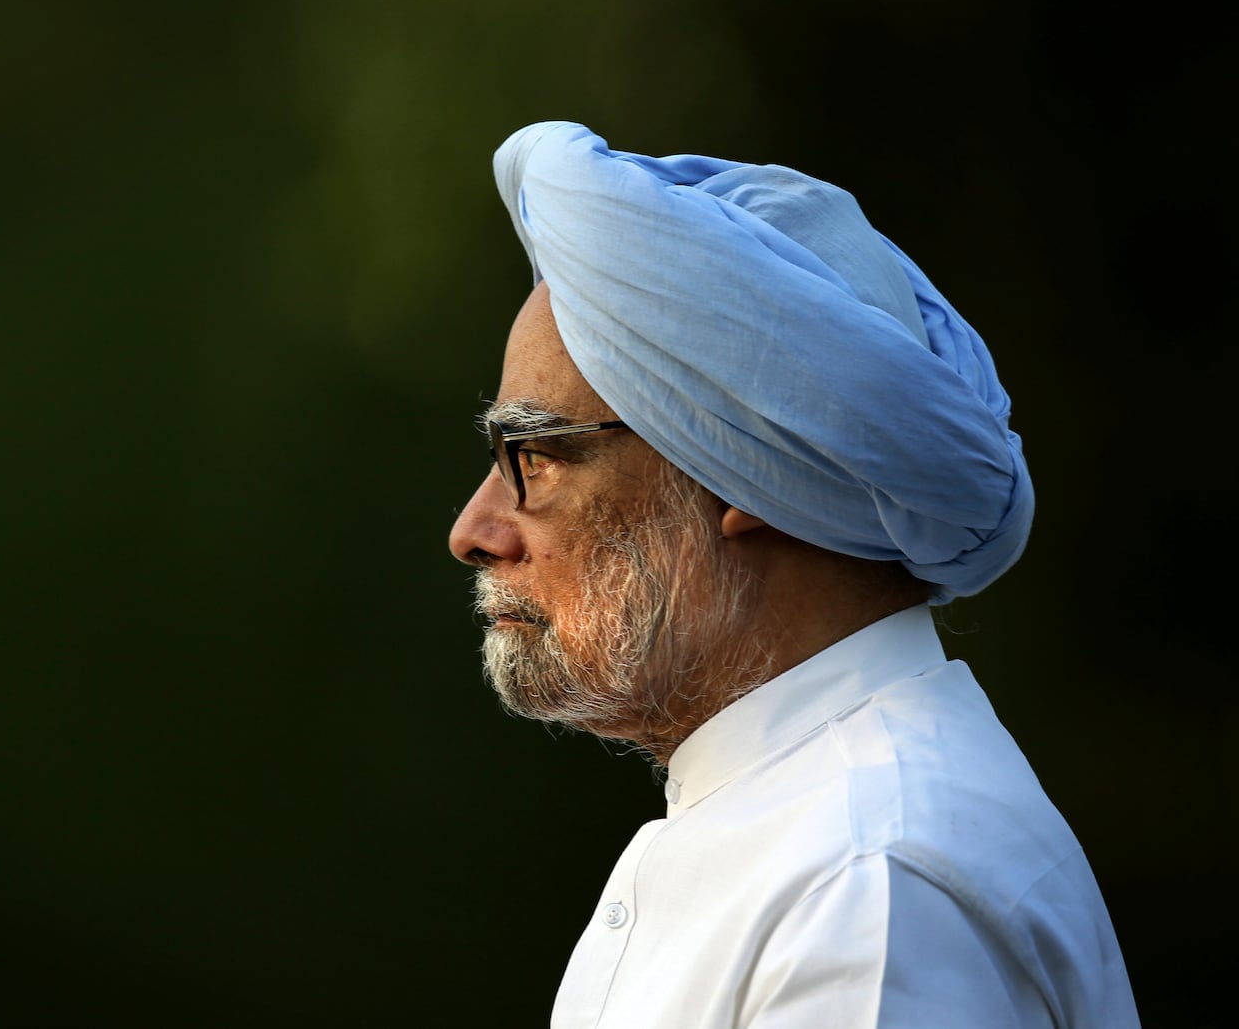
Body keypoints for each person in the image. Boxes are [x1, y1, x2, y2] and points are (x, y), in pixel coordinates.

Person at [448, 121, 1139, 1028]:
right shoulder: (797, 827)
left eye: (534, 455)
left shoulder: (869, 889)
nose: (475, 530)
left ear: (746, 478)